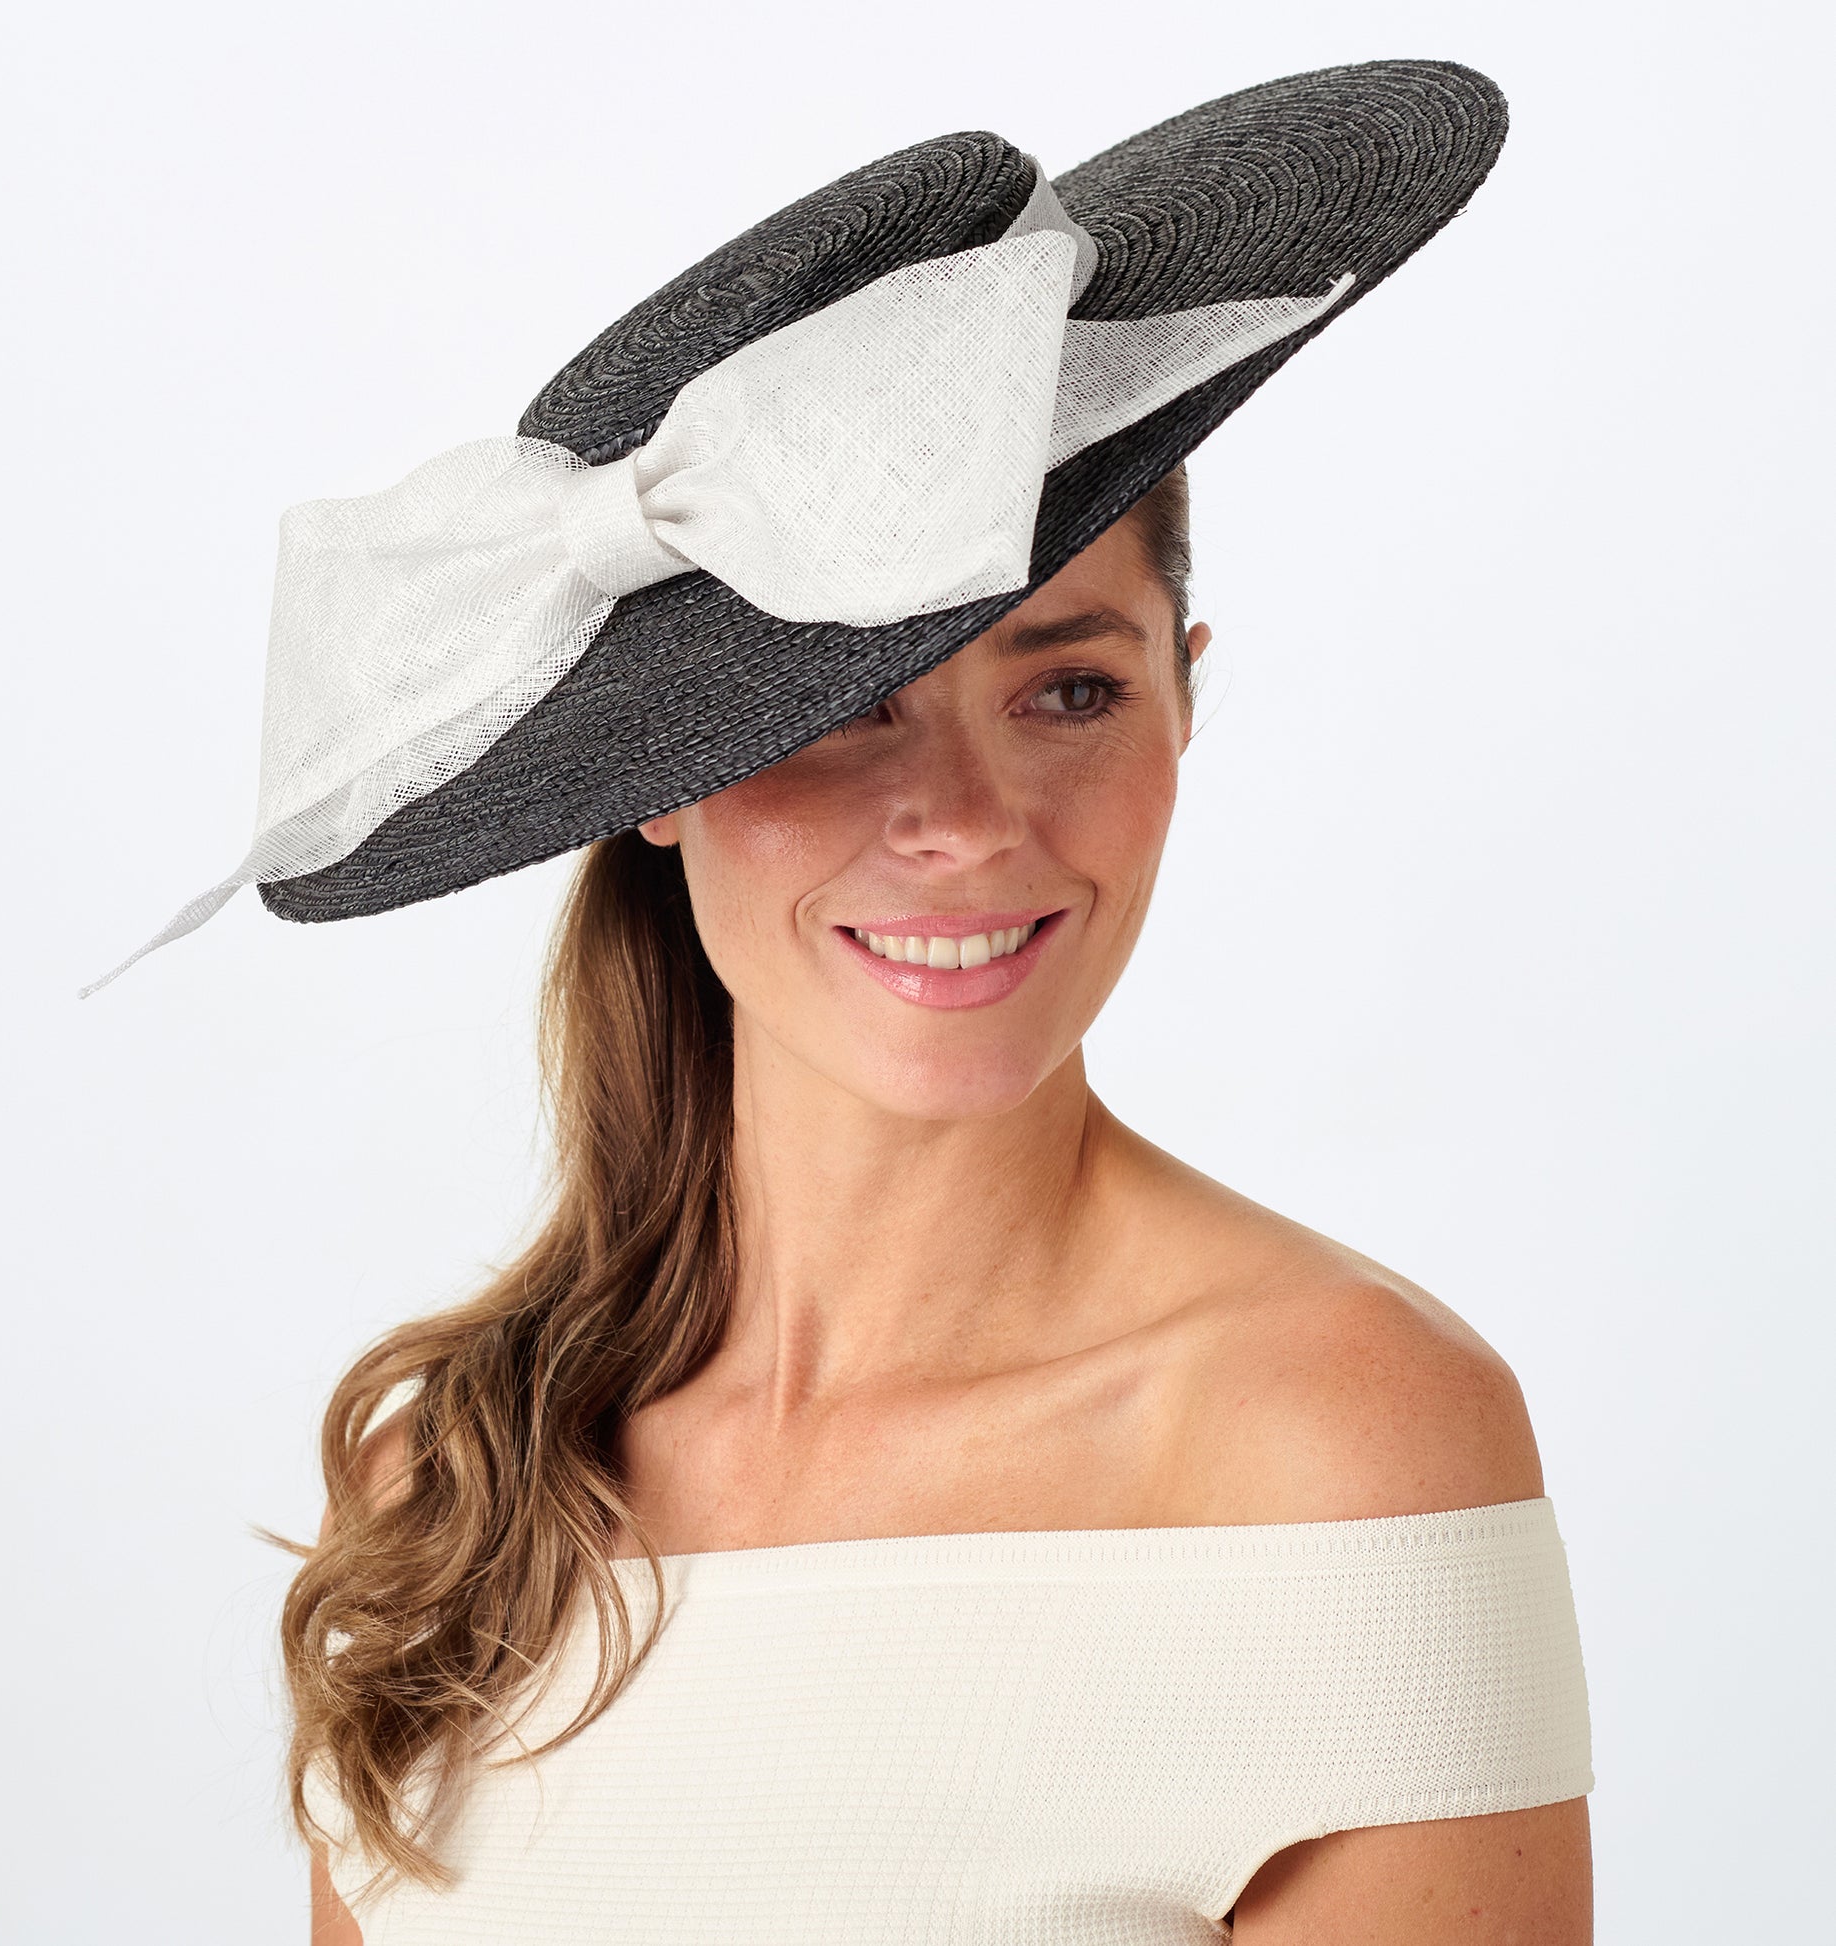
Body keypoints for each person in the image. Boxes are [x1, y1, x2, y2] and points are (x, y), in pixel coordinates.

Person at [106, 57, 1594, 1946]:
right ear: (656, 776)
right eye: (838, 709)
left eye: (1070, 689)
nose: (967, 822)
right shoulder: (449, 1488)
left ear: (1183, 690)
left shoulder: (1335, 1447)